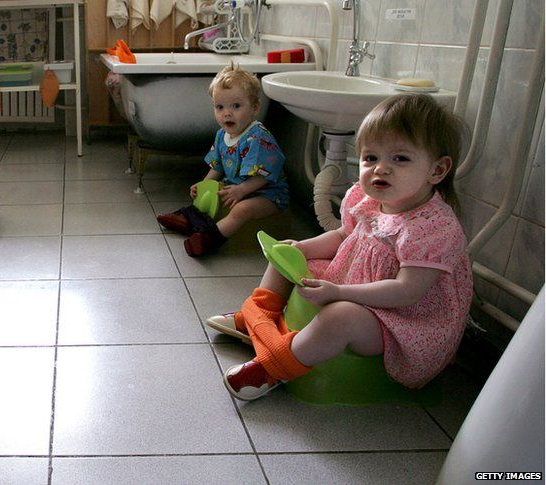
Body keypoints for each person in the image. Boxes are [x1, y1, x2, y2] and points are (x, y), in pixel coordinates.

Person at [207, 94, 473, 401]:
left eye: (400, 158)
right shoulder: (368, 199)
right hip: (356, 280)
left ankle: (274, 366)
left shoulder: (432, 227)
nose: (380, 169)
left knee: (340, 317)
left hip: (402, 320)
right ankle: (255, 318)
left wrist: (339, 293)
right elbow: (344, 236)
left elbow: (406, 292)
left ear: (437, 171)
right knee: (286, 254)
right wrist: (301, 248)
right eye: (371, 158)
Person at [156, 63, 290, 256]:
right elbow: (217, 166)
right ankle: (189, 218)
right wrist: (204, 185)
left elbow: (266, 175)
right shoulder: (222, 135)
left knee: (241, 210)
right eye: (220, 107)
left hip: (267, 194)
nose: (227, 113)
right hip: (237, 187)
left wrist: (242, 190)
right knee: (209, 194)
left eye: (236, 106)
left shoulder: (258, 137)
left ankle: (210, 238)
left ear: (255, 107)